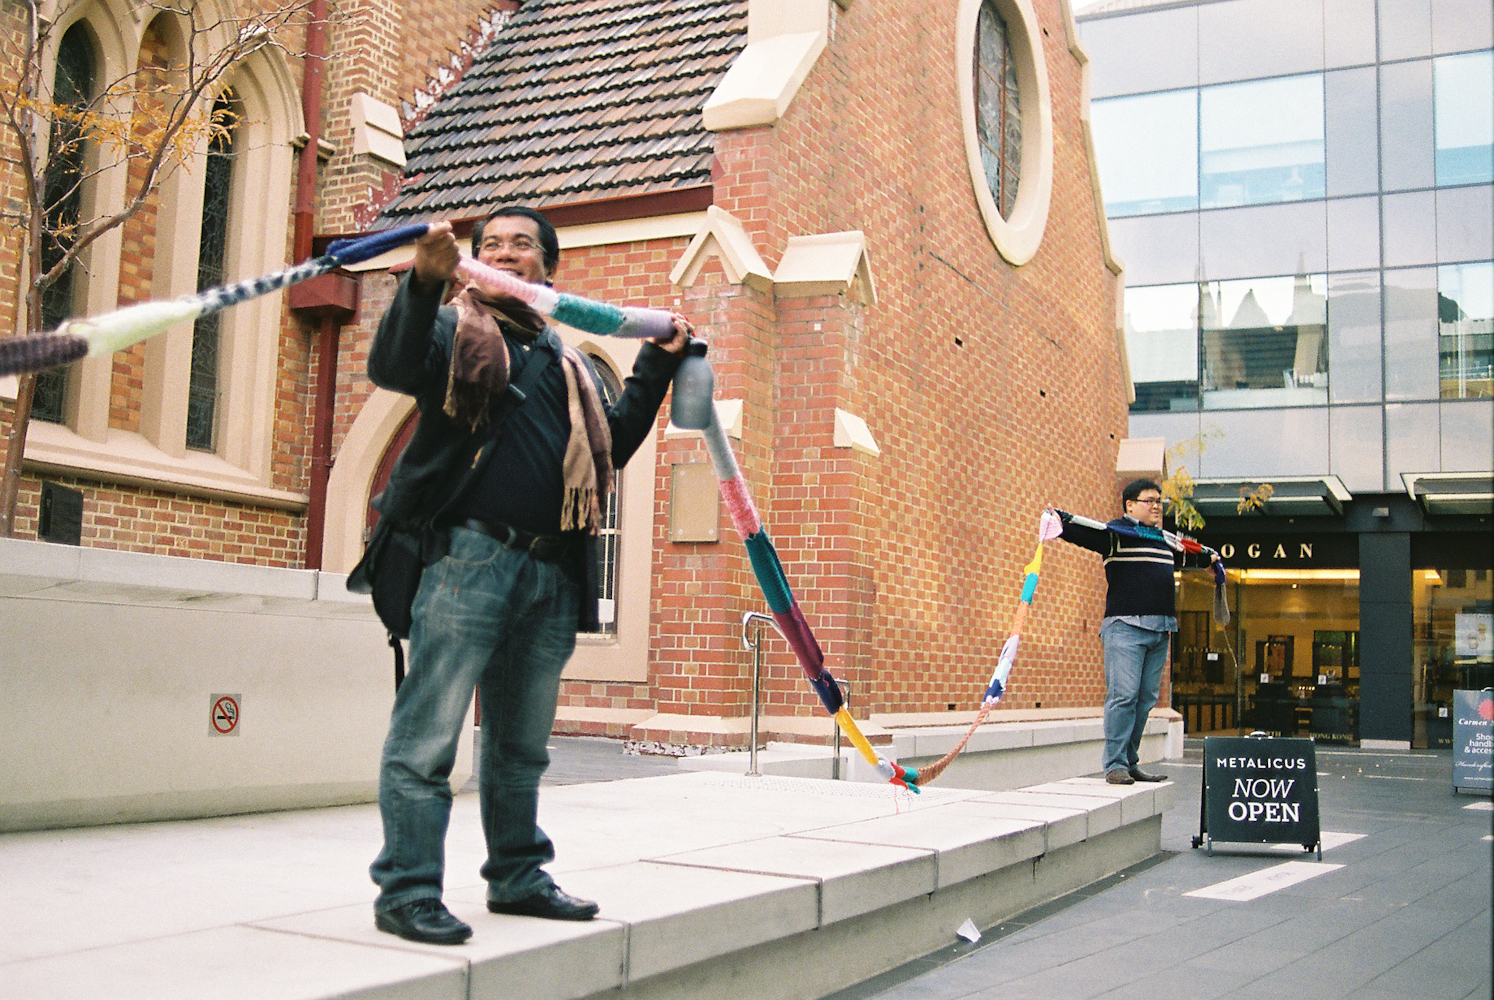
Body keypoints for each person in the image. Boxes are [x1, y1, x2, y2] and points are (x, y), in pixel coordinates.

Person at [364, 207, 690, 945]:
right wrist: (421, 285)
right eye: (491, 244)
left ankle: (517, 876)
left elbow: (613, 444)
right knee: (428, 738)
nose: (504, 252)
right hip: (467, 562)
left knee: (520, 747)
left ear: (548, 269)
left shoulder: (567, 363)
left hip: (551, 573)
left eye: (522, 245)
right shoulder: (452, 330)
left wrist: (657, 363)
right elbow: (392, 367)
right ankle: (407, 891)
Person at [1053, 479, 1220, 786]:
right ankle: (1115, 764)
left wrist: (1209, 561)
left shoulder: (1164, 540)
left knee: (1145, 701)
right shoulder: (1116, 535)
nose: (1157, 506)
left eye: (1159, 501)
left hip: (1161, 629)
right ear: (1130, 505)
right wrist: (1059, 522)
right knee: (1124, 696)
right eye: (1149, 501)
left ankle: (1130, 762)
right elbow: (1082, 533)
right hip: (1125, 629)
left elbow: (1191, 555)